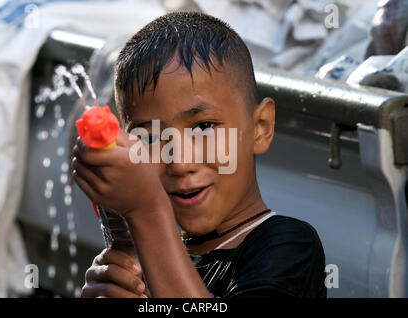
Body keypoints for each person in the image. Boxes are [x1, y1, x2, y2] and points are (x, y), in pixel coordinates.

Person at [72, 11, 326, 298]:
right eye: (152, 138)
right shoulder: (147, 260)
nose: (179, 162)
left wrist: (147, 212)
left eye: (204, 127)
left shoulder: (287, 246)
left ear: (260, 127)